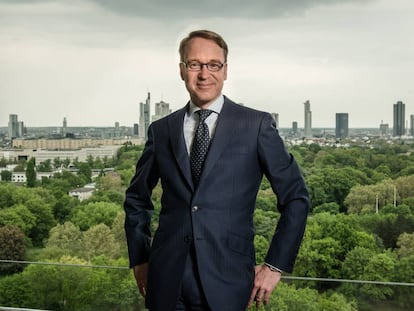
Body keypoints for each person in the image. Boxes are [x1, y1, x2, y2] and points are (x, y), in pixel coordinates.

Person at [124, 29, 309, 311]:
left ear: (225, 71)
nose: (203, 73)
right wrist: (139, 258)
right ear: (182, 70)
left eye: (213, 65)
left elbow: (296, 197)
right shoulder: (162, 130)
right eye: (195, 64)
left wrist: (275, 265)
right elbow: (137, 198)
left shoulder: (256, 125)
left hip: (230, 279)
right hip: (165, 280)